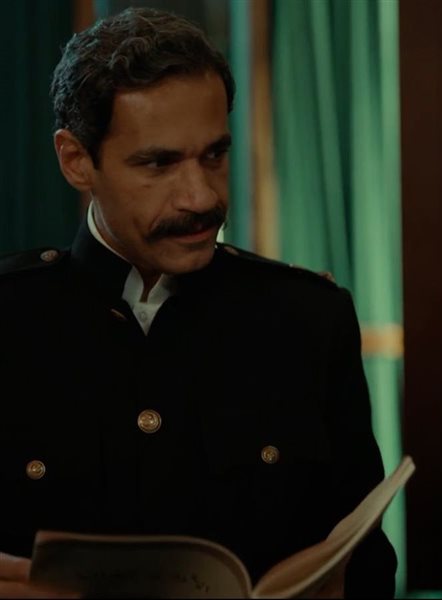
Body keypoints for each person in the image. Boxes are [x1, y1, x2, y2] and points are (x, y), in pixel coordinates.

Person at [0, 7, 396, 598]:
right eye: (159, 163)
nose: (202, 197)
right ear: (76, 160)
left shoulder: (308, 322)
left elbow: (368, 568)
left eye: (214, 156)